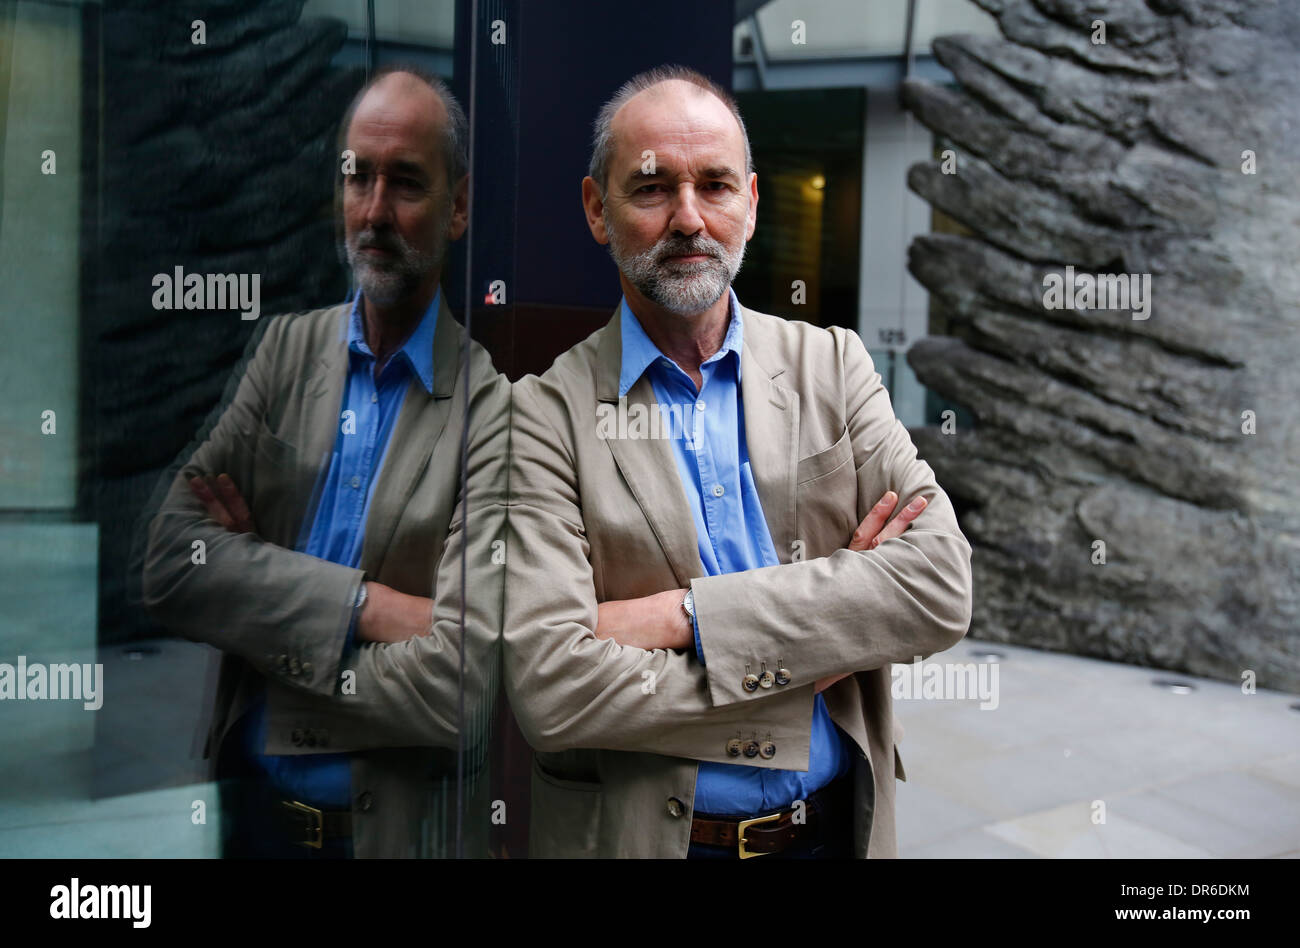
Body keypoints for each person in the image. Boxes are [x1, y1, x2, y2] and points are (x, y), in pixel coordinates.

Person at [504, 65, 972, 858]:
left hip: (835, 831)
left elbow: (939, 585)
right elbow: (552, 687)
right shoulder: (537, 420)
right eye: (652, 189)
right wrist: (819, 645)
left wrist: (680, 617)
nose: (689, 218)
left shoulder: (836, 365)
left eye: (715, 185)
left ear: (750, 205)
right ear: (596, 209)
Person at [141, 66, 508, 858]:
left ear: (459, 207)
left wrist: (260, 591)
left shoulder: (498, 408)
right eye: (357, 178)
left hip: (396, 836)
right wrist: (367, 608)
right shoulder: (284, 352)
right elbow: (169, 562)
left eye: (406, 183)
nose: (374, 211)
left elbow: (460, 685)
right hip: (253, 813)